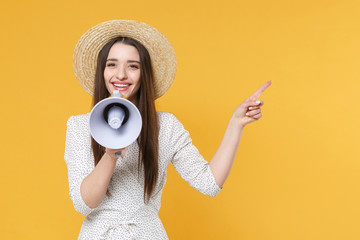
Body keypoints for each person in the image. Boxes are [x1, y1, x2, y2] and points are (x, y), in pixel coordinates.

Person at [65, 20, 271, 239]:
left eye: (133, 66)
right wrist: (110, 154)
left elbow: (209, 183)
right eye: (112, 64)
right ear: (102, 71)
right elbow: (84, 204)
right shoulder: (79, 126)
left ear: (144, 74)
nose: (121, 75)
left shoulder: (166, 126)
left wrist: (236, 124)